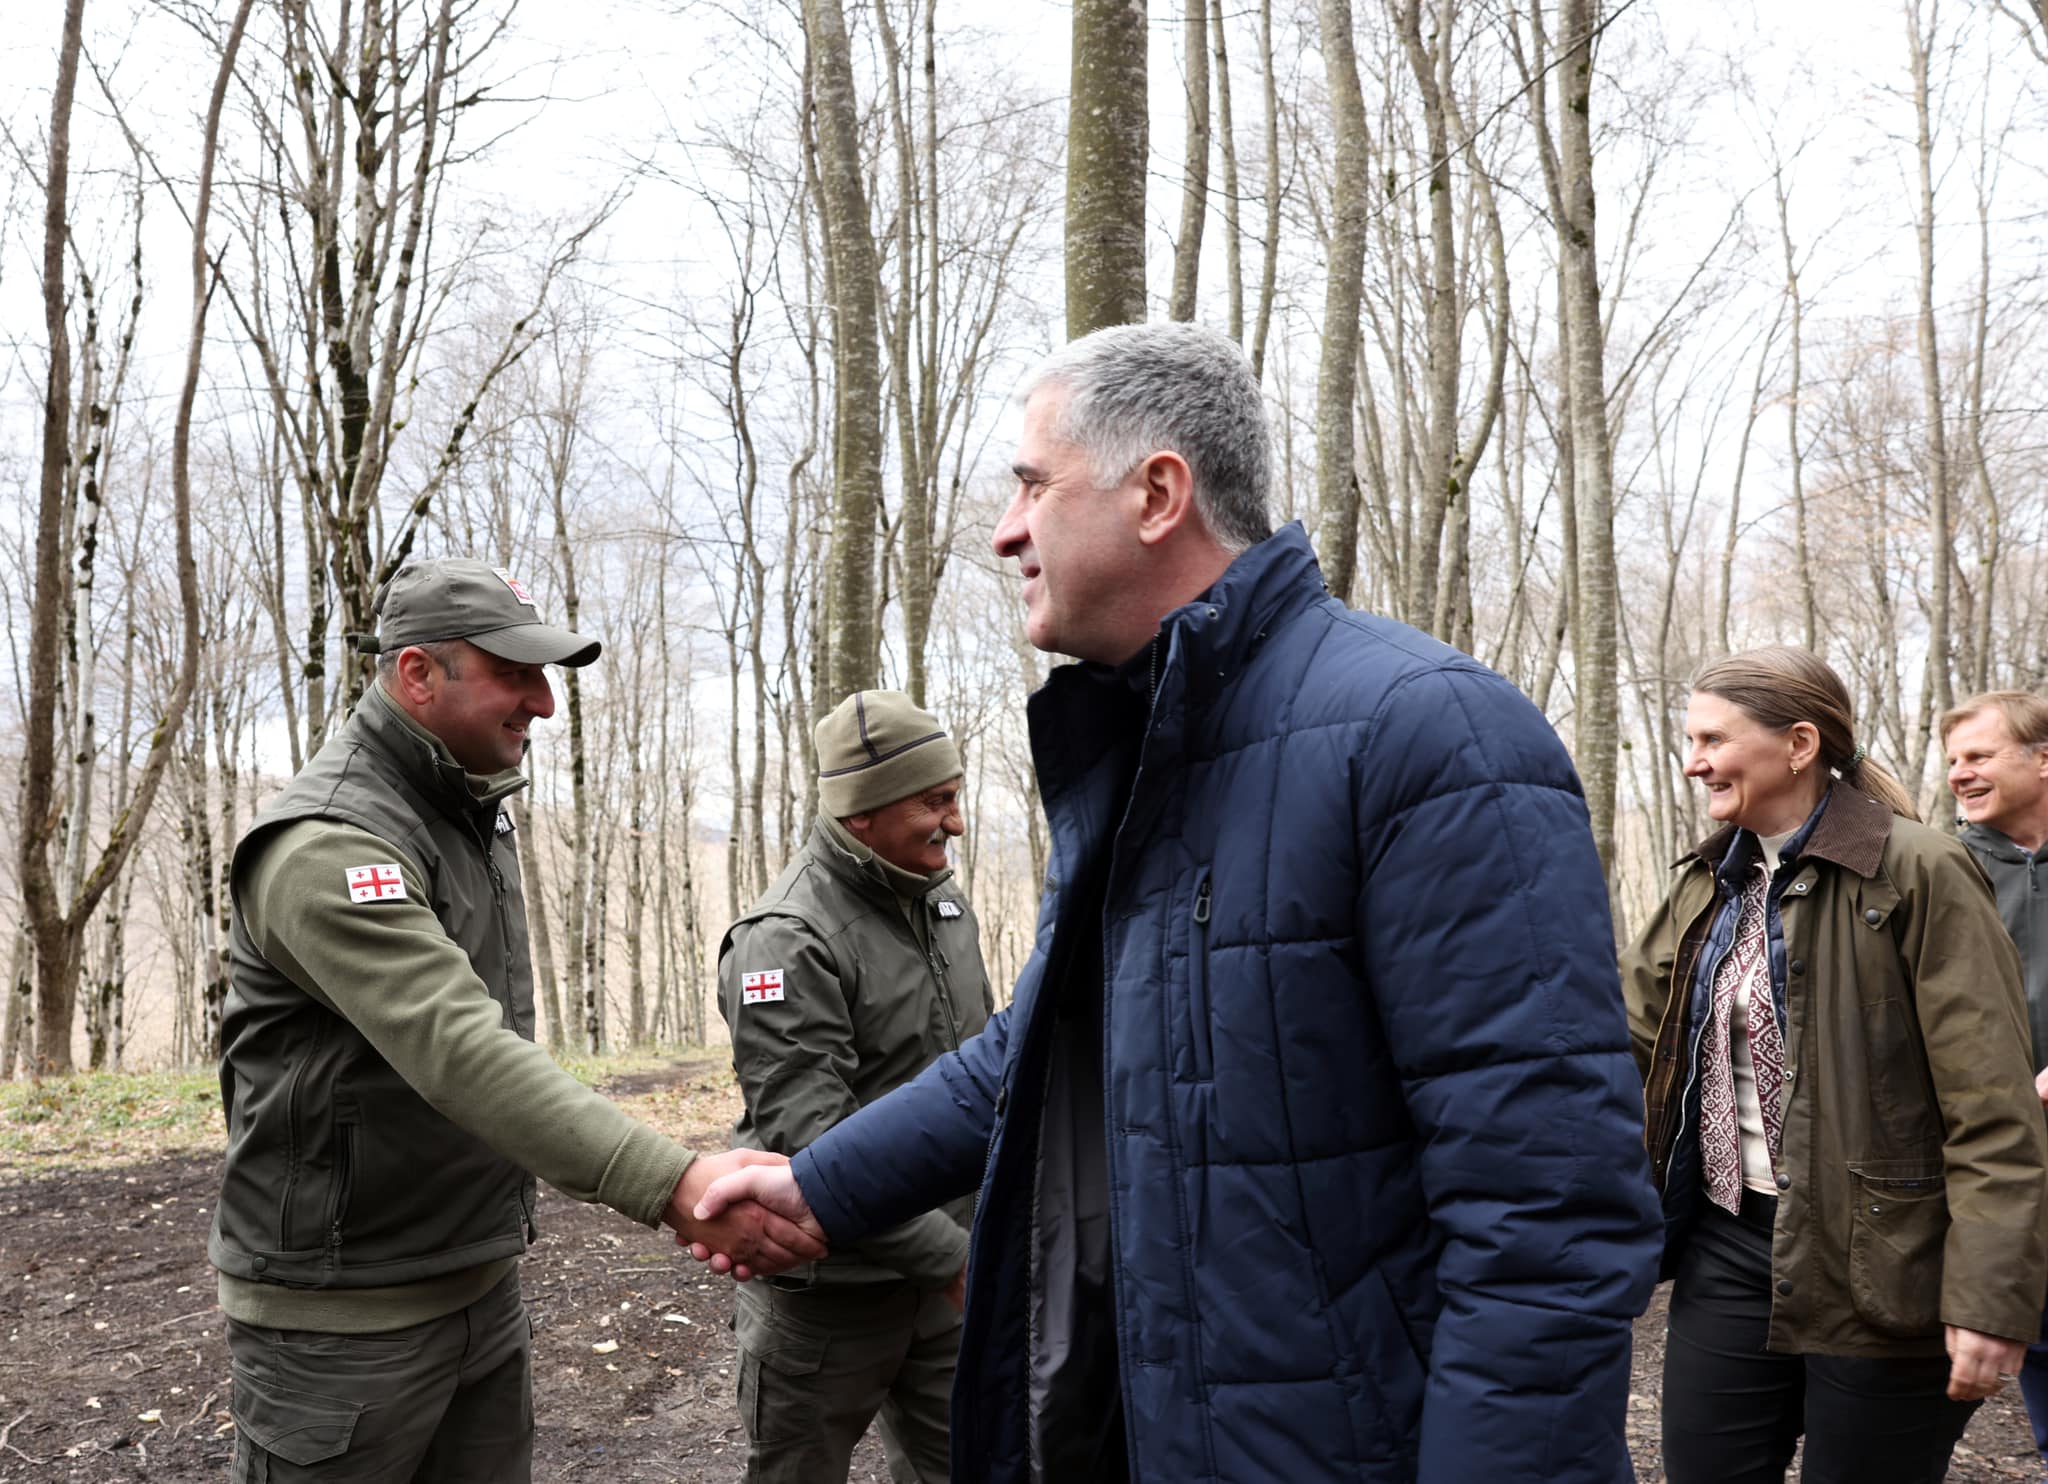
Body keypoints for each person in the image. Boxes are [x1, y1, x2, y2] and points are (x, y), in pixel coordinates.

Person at [691, 321, 1663, 1483]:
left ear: (1156, 493)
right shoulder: (1144, 751)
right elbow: (1039, 1047)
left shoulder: (1430, 736)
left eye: (1032, 485)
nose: (1005, 531)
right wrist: (818, 1184)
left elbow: (1545, 1212)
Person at [211, 558, 823, 1482]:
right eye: (514, 673)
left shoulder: (465, 803)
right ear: (418, 673)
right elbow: (460, 1050)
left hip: (476, 1279)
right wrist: (674, 1183)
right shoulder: (329, 845)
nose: (542, 702)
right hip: (343, 1323)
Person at [1623, 647, 2048, 1484]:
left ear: (1799, 744)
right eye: (1689, 739)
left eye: (1713, 739)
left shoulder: (1920, 870)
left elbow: (1991, 1105)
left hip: (1887, 1263)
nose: (1693, 762)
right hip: (1729, 1247)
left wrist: (1989, 1297)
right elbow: (1629, 1048)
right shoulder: (1707, 882)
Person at [717, 689, 993, 1483]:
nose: (955, 823)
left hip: (943, 1286)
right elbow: (815, 1137)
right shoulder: (786, 939)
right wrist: (954, 1258)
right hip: (830, 1297)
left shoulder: (940, 902)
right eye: (934, 802)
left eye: (956, 797)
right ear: (862, 811)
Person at [1943, 689, 2048, 1470]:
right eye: (1952, 760)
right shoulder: (1948, 871)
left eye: (1978, 755)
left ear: (2043, 761)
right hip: (1997, 1168)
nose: (1958, 773)